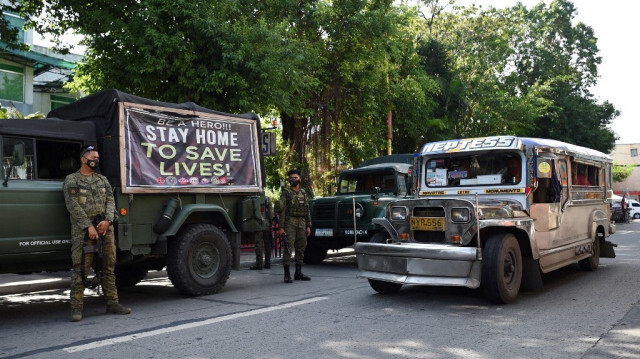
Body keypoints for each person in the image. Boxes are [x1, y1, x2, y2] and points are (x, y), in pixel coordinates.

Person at [63, 145, 131, 322]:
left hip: (105, 231)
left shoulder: (102, 180)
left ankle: (112, 303)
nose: (96, 160)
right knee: (80, 271)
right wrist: (89, 227)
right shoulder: (72, 180)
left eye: (97, 157)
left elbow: (110, 201)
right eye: (93, 157)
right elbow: (73, 206)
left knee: (108, 268)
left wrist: (108, 221)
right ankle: (76, 309)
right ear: (83, 159)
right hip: (83, 234)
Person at [278, 169, 311, 283]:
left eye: (295, 178)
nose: (293, 180)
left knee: (301, 248)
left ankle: (298, 272)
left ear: (300, 179)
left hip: (302, 223)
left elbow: (307, 210)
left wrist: (308, 225)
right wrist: (281, 228)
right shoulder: (286, 192)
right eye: (291, 178)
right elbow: (282, 211)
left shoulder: (303, 192)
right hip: (290, 223)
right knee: (288, 248)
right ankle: (287, 274)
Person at [250, 196, 273, 270]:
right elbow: (271, 212)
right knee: (268, 244)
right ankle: (268, 263)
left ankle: (259, 264)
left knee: (258, 244)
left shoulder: (254, 198)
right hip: (266, 224)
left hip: (257, 224)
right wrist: (270, 222)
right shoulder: (267, 198)